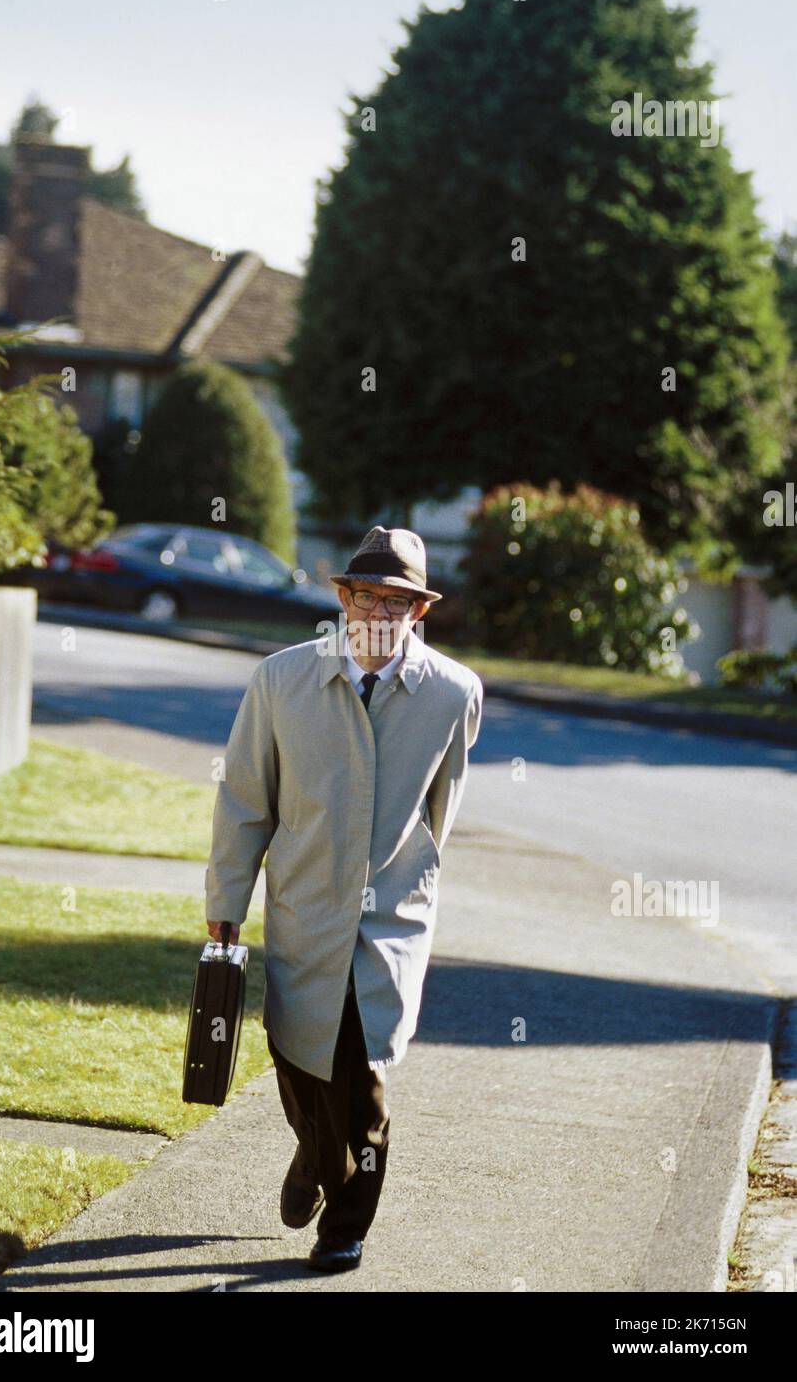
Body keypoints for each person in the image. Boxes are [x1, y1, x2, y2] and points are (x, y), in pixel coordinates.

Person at [205, 525, 483, 1272]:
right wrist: (226, 903)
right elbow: (243, 802)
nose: (379, 615)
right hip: (302, 910)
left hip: (388, 919)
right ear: (343, 598)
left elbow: (440, 811)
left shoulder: (455, 693)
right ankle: (313, 1153)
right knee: (296, 1059)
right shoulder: (280, 681)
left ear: (418, 613)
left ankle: (346, 1226)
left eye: (399, 603)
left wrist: (408, 883)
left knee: (359, 1077)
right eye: (367, 597)